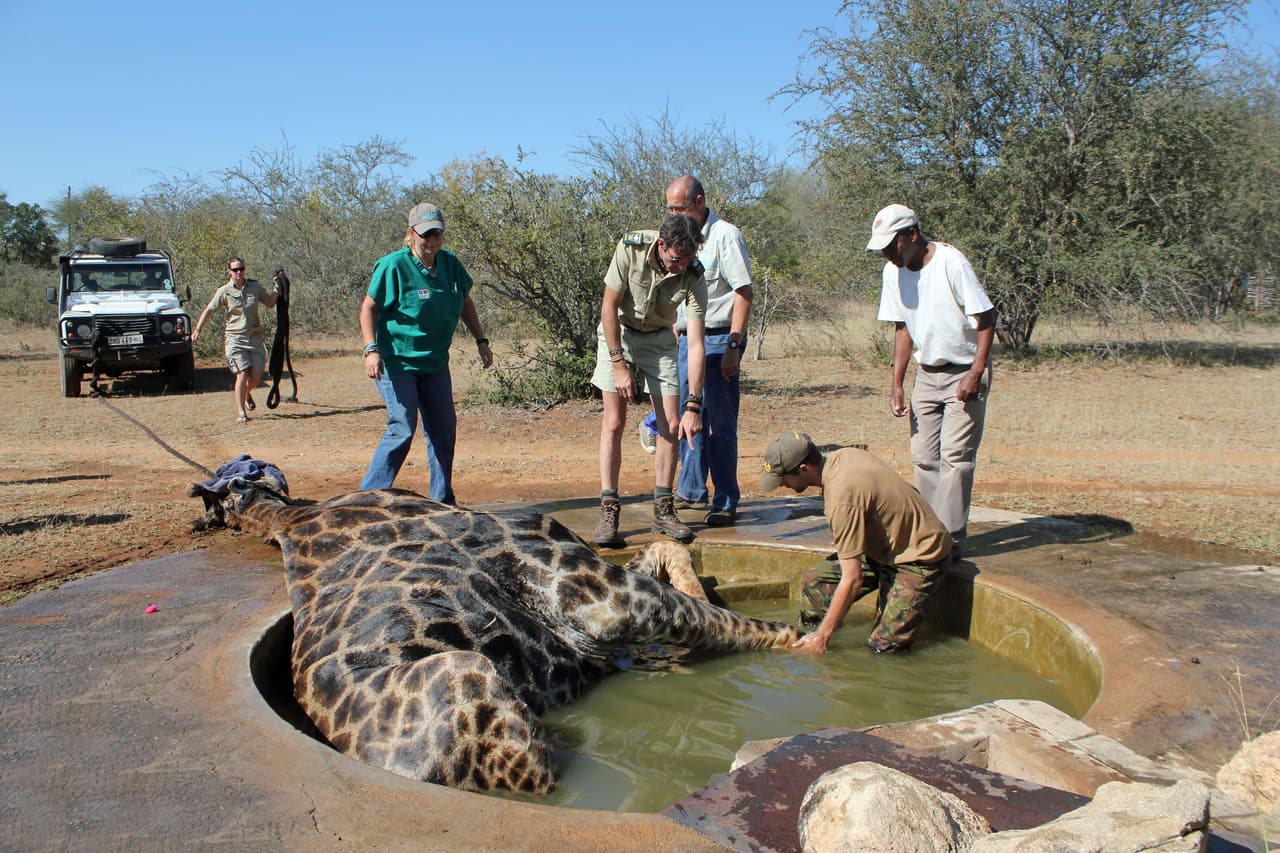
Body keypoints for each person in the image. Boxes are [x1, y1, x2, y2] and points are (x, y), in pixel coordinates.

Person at [868, 204, 995, 551]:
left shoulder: (950, 262)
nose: (887, 254)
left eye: (891, 245)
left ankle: (949, 541)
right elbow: (902, 328)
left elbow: (986, 318)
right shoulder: (892, 273)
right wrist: (897, 384)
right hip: (926, 373)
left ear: (912, 235)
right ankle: (928, 533)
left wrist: (976, 373)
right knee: (924, 457)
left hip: (963, 370)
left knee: (956, 459)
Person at [760, 432, 953, 654]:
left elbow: (852, 579)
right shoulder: (843, 456)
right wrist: (850, 538)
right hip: (884, 548)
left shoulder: (840, 498)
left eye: (783, 479)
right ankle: (813, 633)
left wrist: (823, 637)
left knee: (884, 646)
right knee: (814, 584)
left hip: (920, 557)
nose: (782, 485)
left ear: (804, 469)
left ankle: (821, 638)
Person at [359, 202, 494, 505]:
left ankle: (443, 500)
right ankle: (365, 502)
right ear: (411, 233)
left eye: (437, 233)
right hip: (398, 362)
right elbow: (369, 308)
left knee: (443, 430)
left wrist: (481, 340)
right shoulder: (394, 266)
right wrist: (371, 350)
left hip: (435, 363)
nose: (432, 240)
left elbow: (465, 302)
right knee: (402, 428)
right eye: (426, 234)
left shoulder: (451, 264)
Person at [591, 214, 708, 547]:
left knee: (671, 425)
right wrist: (619, 365)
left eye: (687, 260)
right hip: (620, 333)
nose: (681, 266)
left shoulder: (693, 273)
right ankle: (609, 507)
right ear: (661, 244)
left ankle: (663, 508)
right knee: (614, 422)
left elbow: (696, 343)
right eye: (676, 259)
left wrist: (693, 403)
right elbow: (609, 305)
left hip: (659, 339)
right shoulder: (632, 248)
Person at [667, 176, 753, 527]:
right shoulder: (677, 236)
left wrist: (734, 345)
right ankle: (691, 490)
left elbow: (743, 292)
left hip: (719, 338)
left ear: (699, 201)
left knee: (720, 424)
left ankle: (726, 499)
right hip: (688, 338)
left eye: (680, 208)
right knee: (689, 416)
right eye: (670, 209)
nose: (674, 215)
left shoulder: (725, 235)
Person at [192, 258, 280, 423]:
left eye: (241, 268)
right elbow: (210, 310)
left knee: (256, 377)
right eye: (235, 270)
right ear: (229, 272)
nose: (239, 272)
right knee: (242, 373)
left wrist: (278, 286)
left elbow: (269, 302)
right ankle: (241, 413)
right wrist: (198, 330)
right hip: (235, 339)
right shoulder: (224, 291)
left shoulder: (254, 287)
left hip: (254, 337)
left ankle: (246, 394)